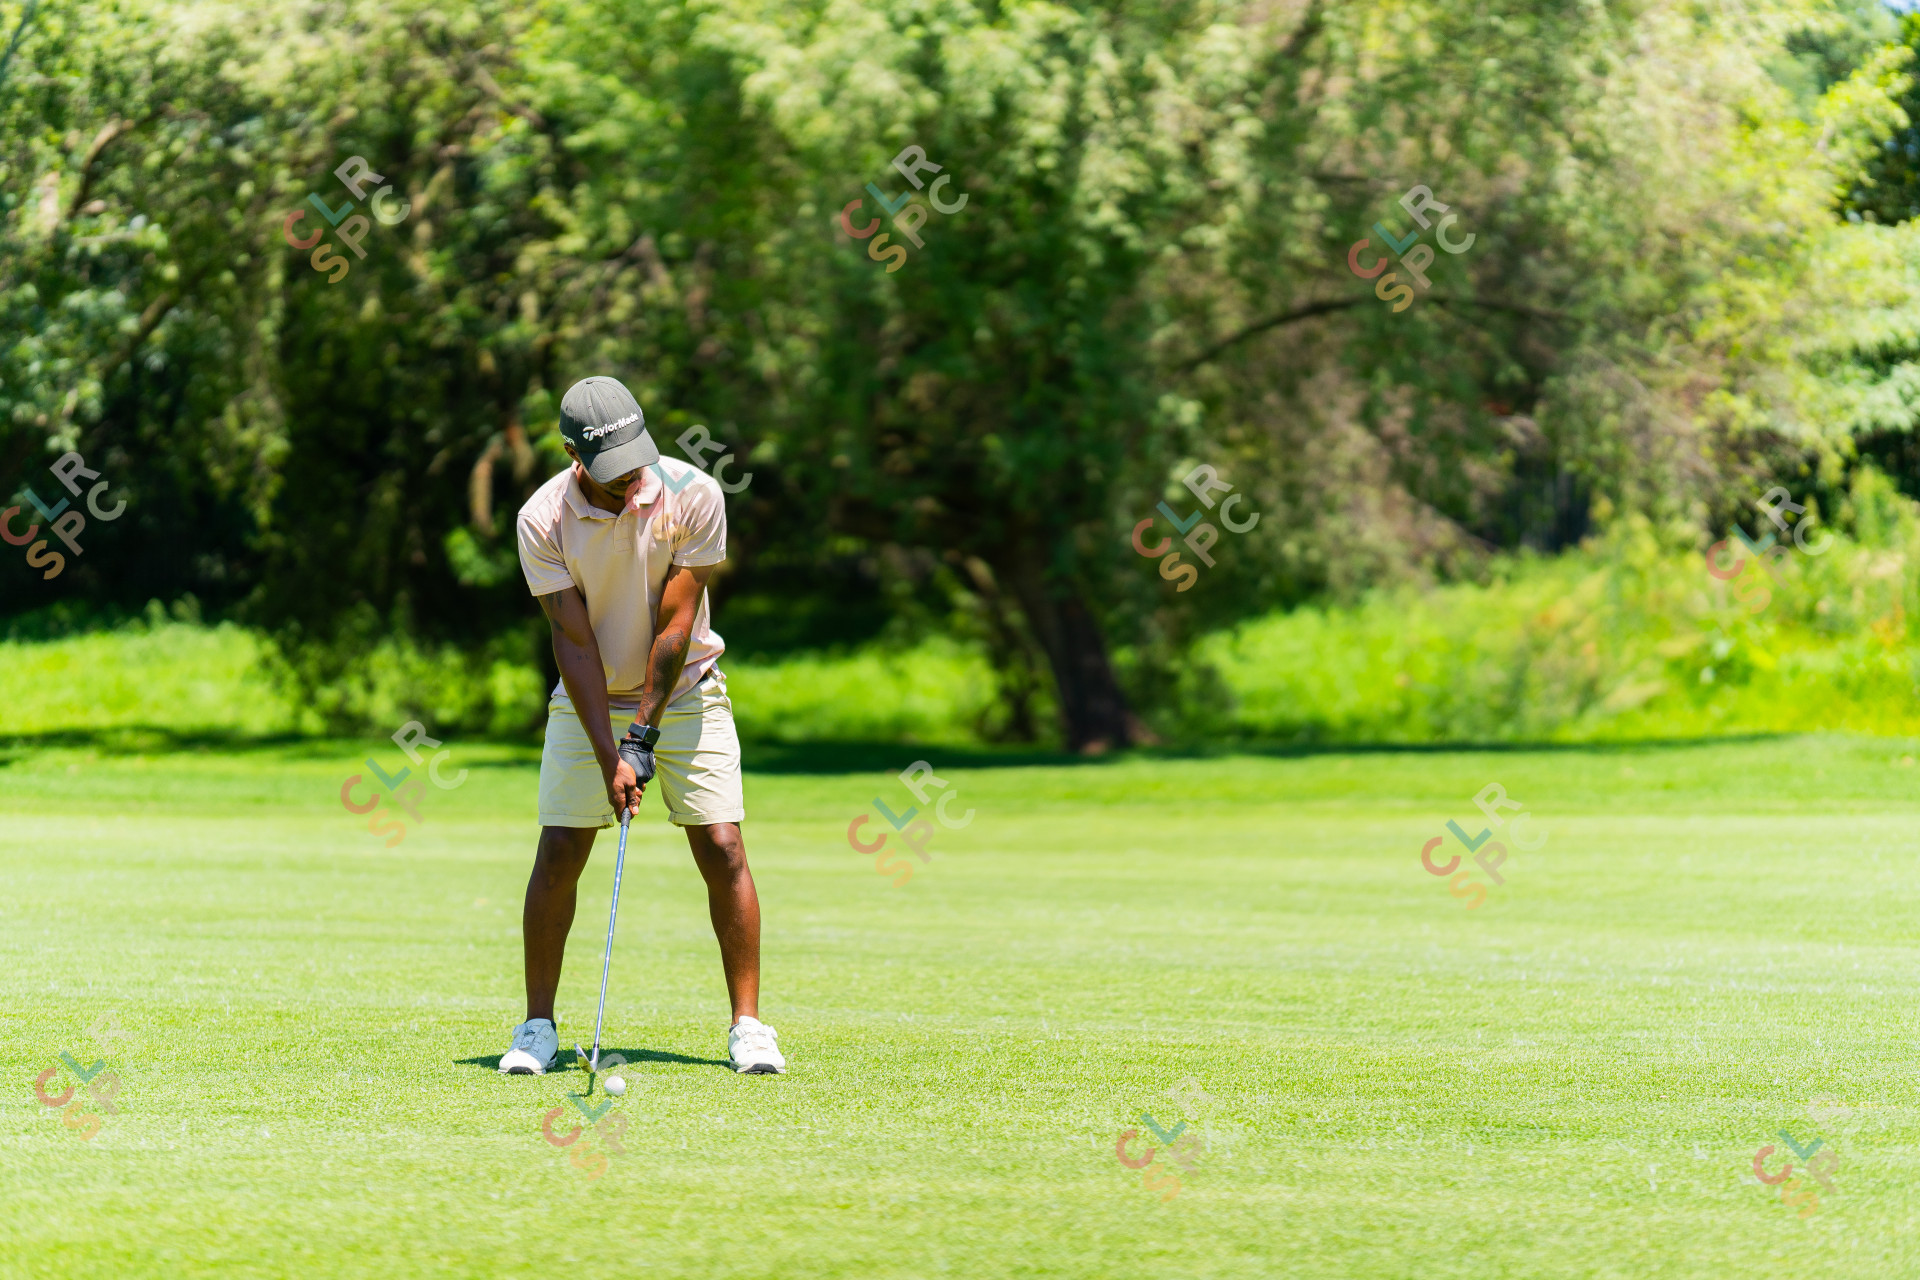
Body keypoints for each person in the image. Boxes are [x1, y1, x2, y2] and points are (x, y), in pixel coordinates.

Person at [497, 375, 784, 1076]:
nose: (630, 478)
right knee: (562, 847)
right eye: (611, 467)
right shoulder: (542, 519)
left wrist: (641, 739)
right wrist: (608, 753)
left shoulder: (694, 494)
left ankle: (749, 1026)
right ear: (571, 454)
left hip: (685, 690)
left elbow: (677, 623)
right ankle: (537, 1026)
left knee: (722, 844)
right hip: (588, 695)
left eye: (635, 457)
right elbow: (573, 643)